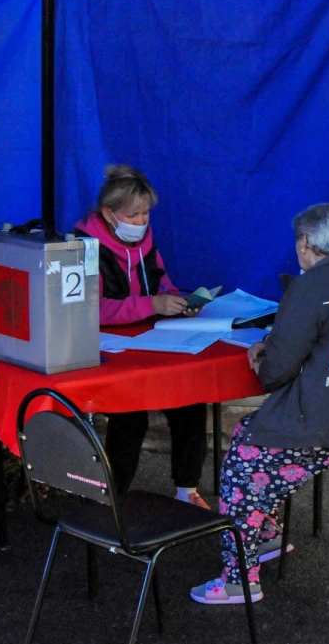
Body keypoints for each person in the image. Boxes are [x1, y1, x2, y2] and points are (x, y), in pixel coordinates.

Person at [191, 203, 329, 603]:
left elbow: (275, 374)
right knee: (245, 432)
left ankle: (239, 579)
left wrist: (262, 352)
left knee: (242, 463)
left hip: (327, 423)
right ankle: (264, 534)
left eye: (297, 240)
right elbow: (327, 343)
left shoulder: (309, 288)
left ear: (305, 242)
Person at [73, 165, 208, 508]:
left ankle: (186, 491)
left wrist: (178, 302)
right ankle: (111, 502)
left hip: (150, 344)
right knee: (130, 416)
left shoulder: (146, 243)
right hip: (105, 352)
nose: (141, 222)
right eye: (133, 215)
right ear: (108, 213)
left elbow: (162, 283)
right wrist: (152, 304)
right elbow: (91, 309)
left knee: (192, 399)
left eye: (146, 213)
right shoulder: (82, 248)